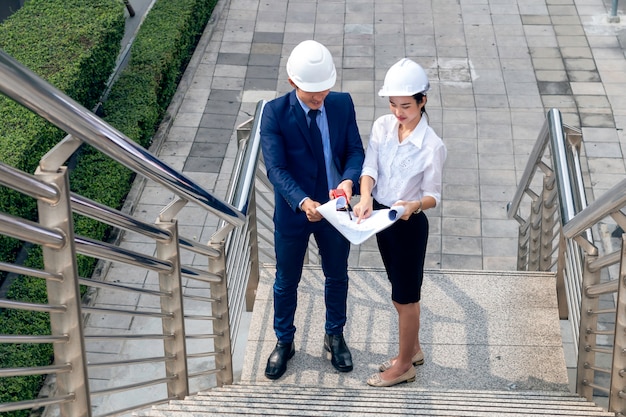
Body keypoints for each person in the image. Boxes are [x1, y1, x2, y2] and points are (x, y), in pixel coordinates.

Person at [259, 40, 365, 380]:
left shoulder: (342, 104)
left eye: (324, 90)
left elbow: (354, 151)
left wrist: (349, 182)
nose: (320, 98)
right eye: (312, 93)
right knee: (285, 280)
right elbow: (276, 170)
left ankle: (334, 335)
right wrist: (304, 201)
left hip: (336, 209)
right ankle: (284, 341)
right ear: (293, 84)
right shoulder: (274, 114)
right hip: (296, 211)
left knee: (337, 275)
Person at [353, 58, 446, 387]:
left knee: (406, 299)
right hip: (381, 218)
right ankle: (415, 349)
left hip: (409, 225)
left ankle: (405, 365)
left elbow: (434, 195)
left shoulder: (432, 145)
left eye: (406, 105)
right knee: (398, 294)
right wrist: (365, 197)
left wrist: (414, 205)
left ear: (423, 100)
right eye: (393, 104)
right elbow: (370, 168)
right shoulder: (382, 126)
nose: (398, 112)